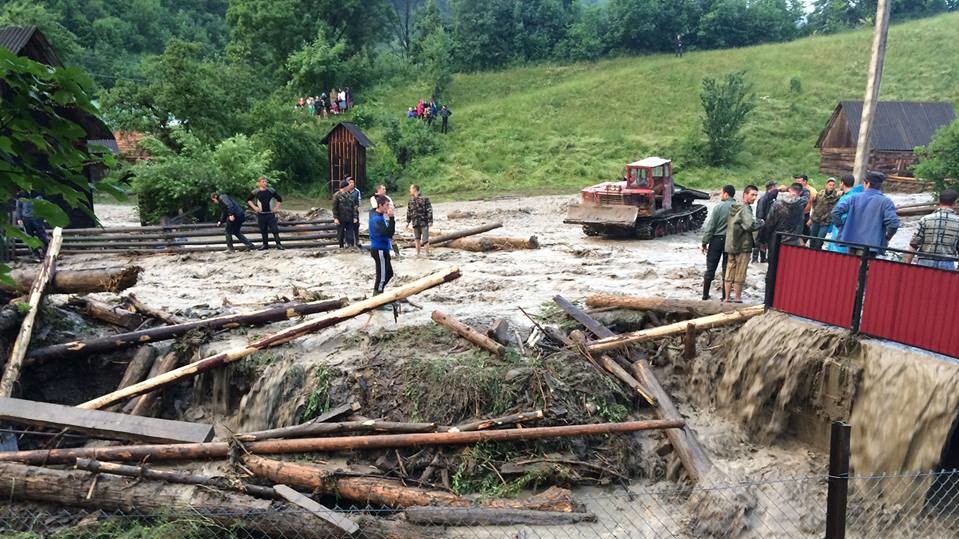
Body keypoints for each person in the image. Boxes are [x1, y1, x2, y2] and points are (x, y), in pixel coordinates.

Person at [831, 171, 899, 255]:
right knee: (864, 267)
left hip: (851, 242)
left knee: (850, 266)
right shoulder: (886, 202)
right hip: (871, 246)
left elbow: (835, 212)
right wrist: (886, 238)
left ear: (867, 183)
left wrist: (841, 227)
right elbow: (894, 224)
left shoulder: (853, 198)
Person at [724, 185, 762, 303]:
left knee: (729, 270)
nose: (754, 198)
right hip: (743, 245)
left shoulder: (734, 206)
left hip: (731, 244)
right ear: (745, 195)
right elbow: (750, 225)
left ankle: (726, 298)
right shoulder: (745, 209)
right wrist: (761, 223)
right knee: (741, 271)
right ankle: (737, 297)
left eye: (756, 195)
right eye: (752, 195)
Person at [904, 188, 959, 270]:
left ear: (939, 201)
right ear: (955, 203)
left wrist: (907, 265)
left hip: (924, 262)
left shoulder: (925, 219)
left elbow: (914, 244)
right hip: (947, 263)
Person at [700, 185, 736, 301]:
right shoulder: (738, 207)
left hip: (716, 240)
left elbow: (711, 226)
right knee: (727, 268)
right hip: (731, 241)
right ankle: (725, 296)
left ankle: (705, 295)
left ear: (726, 194)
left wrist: (704, 242)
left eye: (721, 193)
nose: (721, 195)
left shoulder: (718, 207)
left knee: (711, 268)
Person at [759, 182, 807, 249]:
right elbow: (806, 192)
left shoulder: (777, 204)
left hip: (777, 239)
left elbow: (769, 224)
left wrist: (763, 240)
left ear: (790, 190)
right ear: (800, 192)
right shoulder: (802, 203)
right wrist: (787, 188)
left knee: (774, 259)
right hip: (794, 240)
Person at [826, 174, 862, 254]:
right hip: (851, 231)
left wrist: (839, 226)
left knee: (837, 253)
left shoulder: (846, 198)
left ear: (842, 183)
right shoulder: (857, 195)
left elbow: (836, 213)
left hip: (840, 231)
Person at [246, 176, 284, 250]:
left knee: (275, 230)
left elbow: (279, 199)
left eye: (266, 181)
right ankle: (265, 245)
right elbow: (248, 200)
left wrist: (276, 208)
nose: (265, 183)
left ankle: (279, 244)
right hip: (261, 214)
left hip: (270, 214)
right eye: (263, 181)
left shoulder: (271, 190)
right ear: (259, 183)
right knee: (263, 230)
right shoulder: (255, 192)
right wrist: (254, 207)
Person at [369, 195, 396, 295]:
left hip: (384, 248)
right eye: (386, 205)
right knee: (382, 276)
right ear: (380, 205)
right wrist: (392, 218)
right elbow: (389, 233)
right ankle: (377, 297)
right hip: (379, 249)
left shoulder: (377, 215)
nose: (388, 207)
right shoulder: (377, 219)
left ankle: (380, 293)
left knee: (389, 273)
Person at [808, 177, 840, 250]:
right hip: (816, 220)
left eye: (833, 185)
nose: (831, 187)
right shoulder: (820, 194)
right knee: (812, 239)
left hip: (825, 222)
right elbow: (814, 203)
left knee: (819, 241)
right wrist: (812, 217)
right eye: (830, 185)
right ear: (826, 185)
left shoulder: (836, 196)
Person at [14, 192, 49, 258]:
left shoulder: (38, 194)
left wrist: (45, 216)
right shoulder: (21, 195)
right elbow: (18, 207)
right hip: (26, 218)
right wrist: (19, 218)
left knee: (42, 235)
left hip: (37, 218)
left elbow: (44, 206)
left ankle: (46, 251)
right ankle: (36, 254)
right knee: (29, 237)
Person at [753, 180, 778, 262]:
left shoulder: (773, 198)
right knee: (759, 241)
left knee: (765, 242)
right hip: (762, 223)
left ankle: (763, 258)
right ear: (771, 188)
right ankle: (755, 259)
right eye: (775, 187)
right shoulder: (764, 199)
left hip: (769, 224)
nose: (776, 188)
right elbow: (760, 211)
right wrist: (761, 223)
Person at [407, 184, 433, 257]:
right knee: (417, 239)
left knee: (425, 240)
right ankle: (418, 254)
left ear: (414, 189)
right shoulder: (411, 200)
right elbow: (409, 211)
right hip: (415, 222)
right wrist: (408, 221)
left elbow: (429, 210)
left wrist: (430, 221)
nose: (410, 190)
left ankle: (427, 254)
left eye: (410, 189)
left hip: (424, 222)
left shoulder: (425, 199)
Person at [332, 179, 358, 248]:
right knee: (341, 234)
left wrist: (355, 217)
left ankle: (351, 247)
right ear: (344, 187)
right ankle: (341, 247)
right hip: (341, 218)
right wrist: (336, 218)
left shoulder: (349, 195)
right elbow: (334, 208)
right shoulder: (336, 195)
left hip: (349, 218)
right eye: (348, 186)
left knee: (350, 234)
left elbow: (353, 207)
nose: (349, 187)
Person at [794, 174, 817, 238]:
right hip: (795, 215)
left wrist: (811, 219)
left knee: (805, 234)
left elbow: (816, 207)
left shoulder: (812, 191)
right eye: (796, 181)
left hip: (806, 215)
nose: (797, 183)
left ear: (805, 182)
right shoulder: (796, 189)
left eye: (799, 181)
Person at [348, 177, 362, 248]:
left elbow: (359, 203)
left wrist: (354, 209)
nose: (351, 184)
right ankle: (349, 242)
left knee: (356, 227)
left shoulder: (357, 191)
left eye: (352, 182)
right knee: (348, 227)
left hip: (355, 212)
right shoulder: (345, 191)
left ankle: (357, 241)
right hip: (346, 212)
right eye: (350, 182)